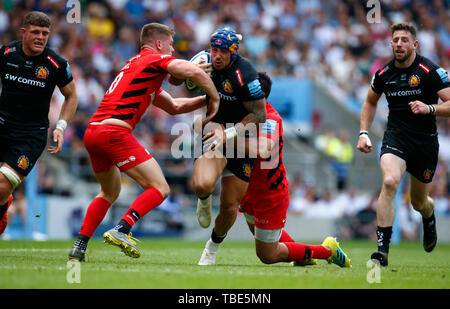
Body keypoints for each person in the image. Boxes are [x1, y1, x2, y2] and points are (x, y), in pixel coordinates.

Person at [68, 23, 220, 261]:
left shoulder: (139, 69)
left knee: (109, 192)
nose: (172, 50)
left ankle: (79, 247)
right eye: (170, 45)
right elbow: (192, 72)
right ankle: (122, 229)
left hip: (94, 133)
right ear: (159, 44)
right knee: (160, 188)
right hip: (114, 133)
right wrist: (216, 96)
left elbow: (174, 106)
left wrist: (204, 99)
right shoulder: (153, 59)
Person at [198, 72, 351, 267]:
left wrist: (226, 136)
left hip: (269, 193)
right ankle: (301, 256)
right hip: (247, 187)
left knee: (267, 255)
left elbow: (263, 149)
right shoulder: (241, 114)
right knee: (259, 233)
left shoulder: (270, 119)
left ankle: (327, 250)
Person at [357, 22, 450, 266]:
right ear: (391, 43)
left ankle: (428, 219)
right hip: (396, 137)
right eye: (396, 40)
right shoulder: (384, 74)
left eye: (404, 40)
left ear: (414, 44)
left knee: (419, 202)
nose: (399, 44)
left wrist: (430, 108)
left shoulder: (430, 71)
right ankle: (382, 251)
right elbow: (369, 102)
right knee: (389, 183)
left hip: (425, 143)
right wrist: (363, 132)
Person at [187, 28, 267, 263]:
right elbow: (175, 79)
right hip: (213, 135)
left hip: (241, 140)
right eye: (214, 49)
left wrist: (229, 133)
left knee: (230, 207)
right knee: (201, 186)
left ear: (233, 52)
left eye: (223, 51)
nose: (217, 55)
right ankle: (203, 200)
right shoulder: (204, 61)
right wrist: (188, 73)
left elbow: (259, 114)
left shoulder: (246, 73)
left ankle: (211, 249)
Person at [0, 11, 78, 235]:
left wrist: (61, 126)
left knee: (3, 185)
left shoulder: (56, 64)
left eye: (45, 33)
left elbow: (72, 96)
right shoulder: (6, 53)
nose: (40, 37)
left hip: (31, 135)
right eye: (35, 32)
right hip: (2, 124)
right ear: (23, 32)